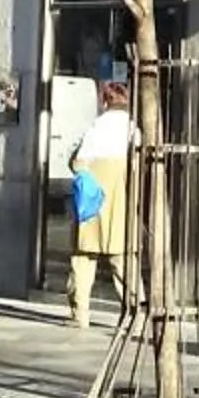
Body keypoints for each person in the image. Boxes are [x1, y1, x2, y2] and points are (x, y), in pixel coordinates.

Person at [66, 76, 132, 327]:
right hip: (123, 201)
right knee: (123, 260)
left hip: (92, 202)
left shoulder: (97, 127)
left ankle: (80, 313)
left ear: (105, 102)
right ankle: (135, 312)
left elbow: (78, 163)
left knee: (83, 259)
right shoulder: (133, 129)